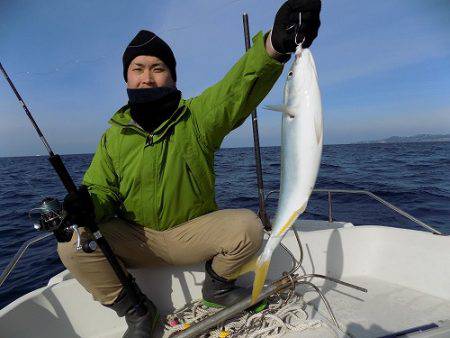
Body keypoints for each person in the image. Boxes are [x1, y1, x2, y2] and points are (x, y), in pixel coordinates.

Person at [58, 1, 321, 337]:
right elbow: (101, 190)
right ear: (126, 76)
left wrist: (274, 46)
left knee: (248, 228)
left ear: (171, 75)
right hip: (137, 237)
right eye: (138, 69)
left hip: (191, 233)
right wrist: (87, 206)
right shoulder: (113, 137)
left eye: (157, 68)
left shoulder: (196, 117)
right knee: (71, 242)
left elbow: (235, 90)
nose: (147, 78)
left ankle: (218, 288)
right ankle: (138, 311)